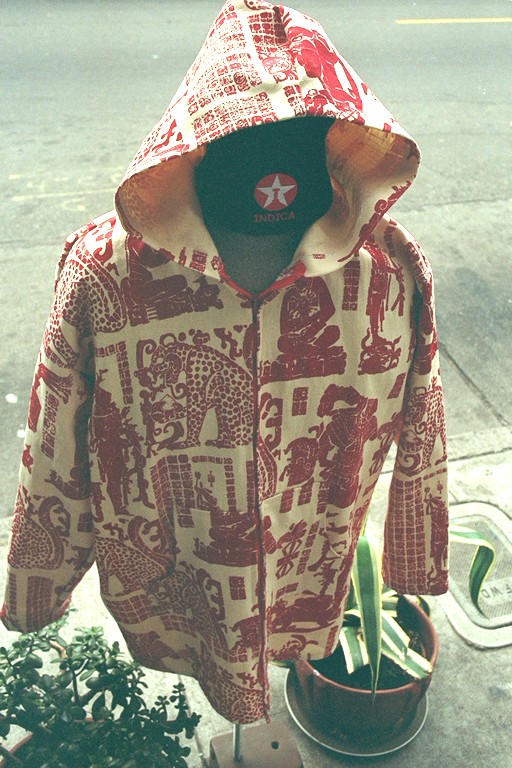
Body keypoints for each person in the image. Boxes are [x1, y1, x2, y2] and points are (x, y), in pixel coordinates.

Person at [1, 0, 449, 725]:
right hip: (170, 595)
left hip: (308, 579)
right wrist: (37, 584)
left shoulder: (391, 272)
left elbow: (424, 434)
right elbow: (56, 445)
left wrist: (414, 555)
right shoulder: (104, 272)